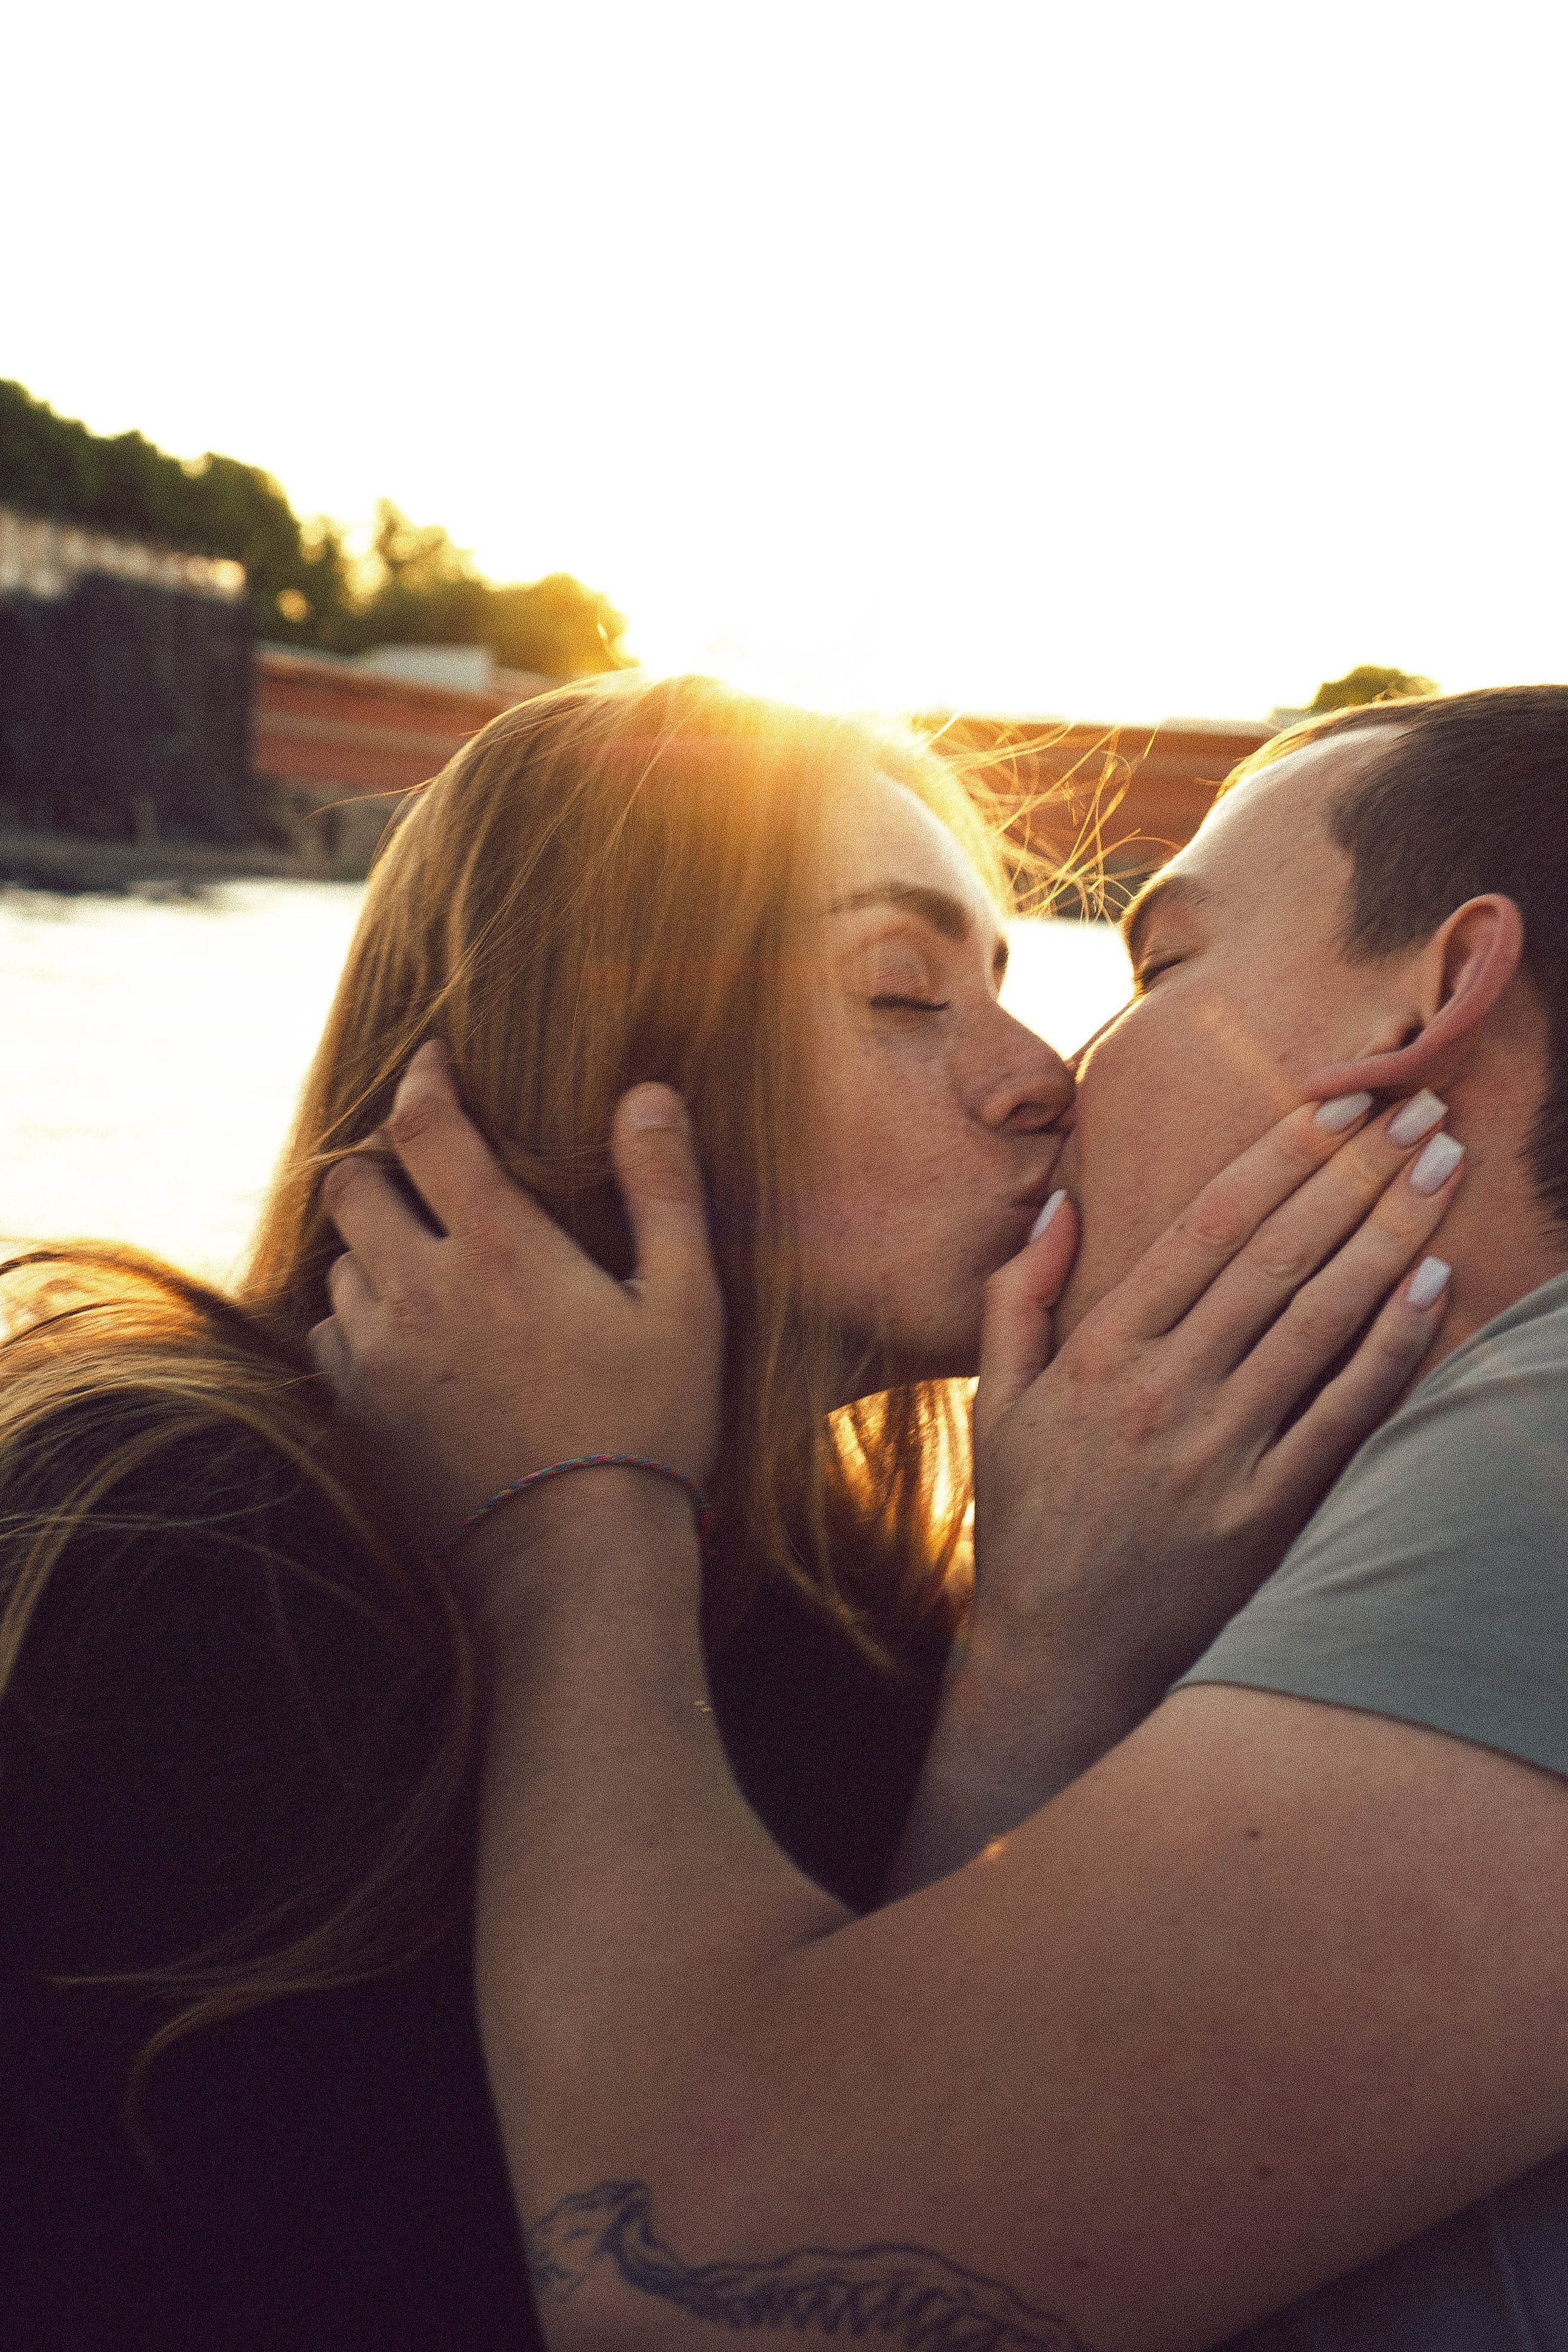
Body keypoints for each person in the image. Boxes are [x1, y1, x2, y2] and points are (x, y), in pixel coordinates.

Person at [1, 671, 1448, 2351]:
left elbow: (878, 2248)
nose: (1044, 1076)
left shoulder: (873, 1618)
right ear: (616, 1048)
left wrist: (1043, 1668)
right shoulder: (174, 1530)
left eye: (1003, 981)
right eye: (904, 992)